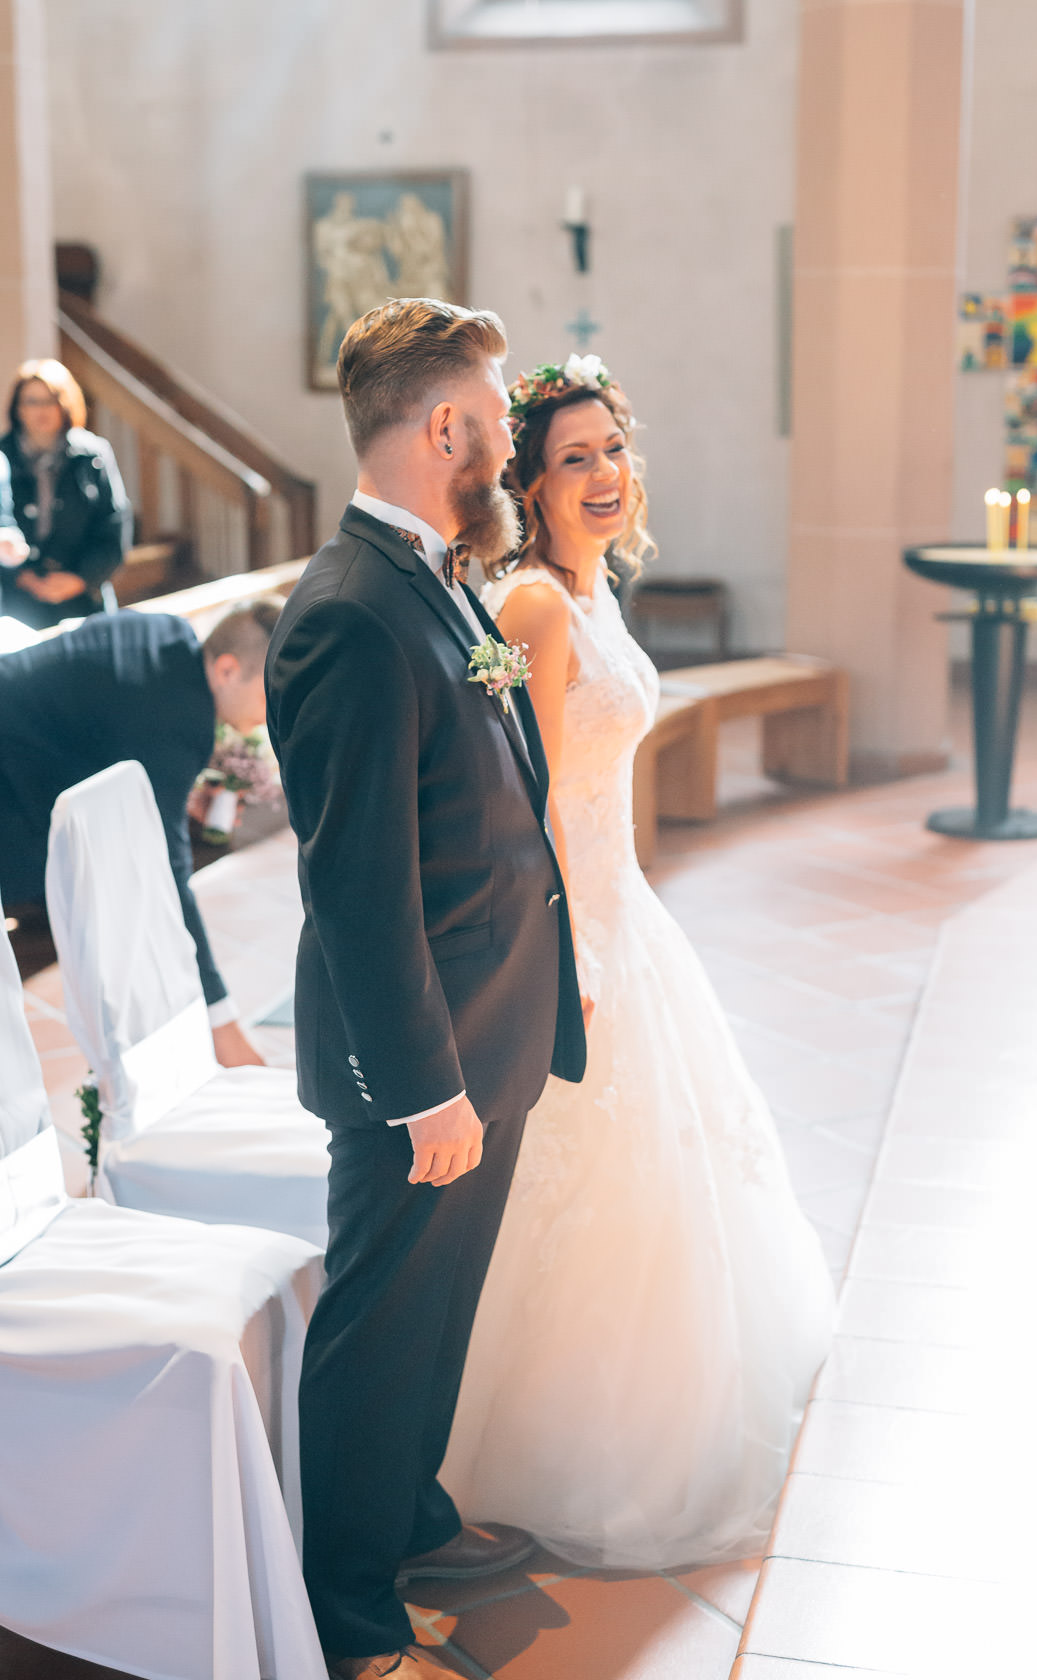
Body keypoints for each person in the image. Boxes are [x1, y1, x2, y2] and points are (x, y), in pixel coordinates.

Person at [441, 354, 835, 1569]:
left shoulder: (596, 594)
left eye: (613, 450)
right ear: (531, 482)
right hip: (575, 928)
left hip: (628, 911)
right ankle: (529, 1449)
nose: (604, 474)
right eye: (574, 458)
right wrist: (562, 954)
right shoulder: (534, 608)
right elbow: (524, 804)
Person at [265, 299, 586, 1680]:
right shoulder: (346, 614)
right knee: (379, 1329)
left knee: (435, 1318)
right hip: (422, 1060)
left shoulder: (436, 576)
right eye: (502, 422)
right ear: (442, 426)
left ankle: (405, 1519)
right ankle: (347, 1619)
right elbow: (358, 889)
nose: (512, 451)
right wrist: (425, 1088)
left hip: (487, 1021)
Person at [0, 600, 281, 1068]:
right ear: (229, 669)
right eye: (271, 695)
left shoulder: (166, 634)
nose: (272, 715)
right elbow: (165, 871)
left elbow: (106, 721)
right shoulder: (179, 717)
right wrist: (221, 1020)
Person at [0, 358, 132, 630]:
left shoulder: (93, 455)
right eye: (31, 401)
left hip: (82, 598)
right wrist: (20, 575)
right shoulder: (3, 456)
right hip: (18, 604)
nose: (42, 410)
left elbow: (114, 530)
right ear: (17, 408)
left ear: (66, 403)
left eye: (51, 400)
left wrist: (80, 579)